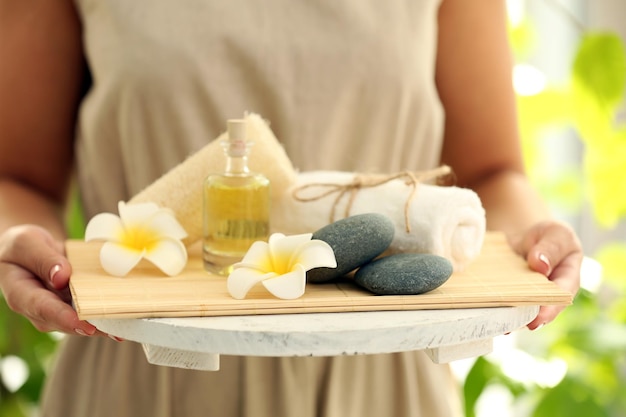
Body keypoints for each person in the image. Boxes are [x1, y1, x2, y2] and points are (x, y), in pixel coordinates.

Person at [0, 0, 582, 416]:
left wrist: (531, 234)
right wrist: (17, 236)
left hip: (386, 387)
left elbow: (492, 174)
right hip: (142, 384)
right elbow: (17, 176)